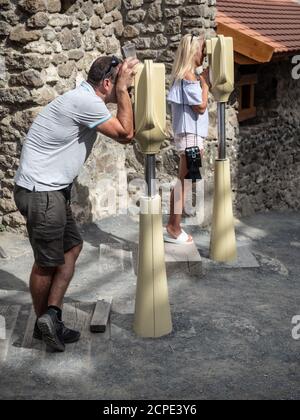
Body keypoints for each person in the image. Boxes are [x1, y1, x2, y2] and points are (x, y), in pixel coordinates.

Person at [13, 55, 139, 352]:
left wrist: (123, 87)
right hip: (41, 193)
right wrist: (123, 91)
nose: (127, 90)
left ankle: (52, 316)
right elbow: (126, 133)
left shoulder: (82, 97)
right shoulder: (88, 102)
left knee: (72, 246)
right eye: (123, 85)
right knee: (47, 263)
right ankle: (43, 324)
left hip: (50, 191)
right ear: (107, 83)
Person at [165, 33, 209, 245]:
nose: (205, 53)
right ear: (193, 51)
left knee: (185, 180)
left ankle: (174, 225)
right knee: (186, 181)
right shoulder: (189, 77)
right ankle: (174, 226)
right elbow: (200, 107)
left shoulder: (183, 76)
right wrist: (206, 84)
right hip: (191, 137)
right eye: (202, 49)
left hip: (190, 136)